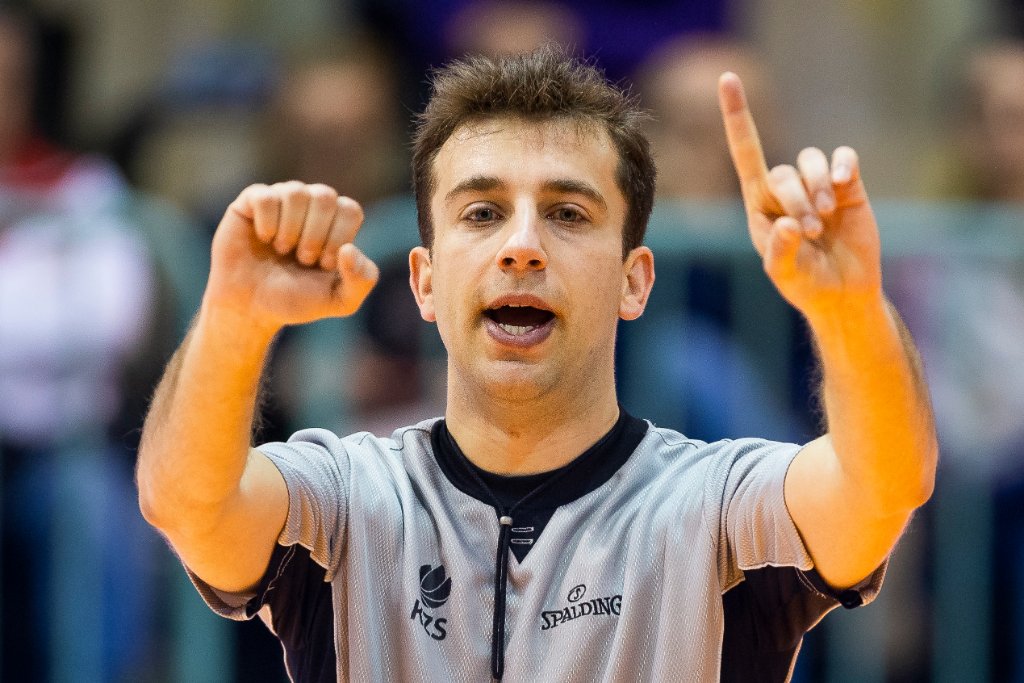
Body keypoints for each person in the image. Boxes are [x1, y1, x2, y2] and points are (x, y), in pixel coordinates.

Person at [137, 46, 937, 681]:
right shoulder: (347, 497)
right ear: (423, 279)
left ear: (635, 280)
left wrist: (848, 308)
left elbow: (886, 481)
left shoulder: (718, 505)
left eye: (567, 212)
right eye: (482, 213)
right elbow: (187, 504)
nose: (522, 246)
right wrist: (235, 317)